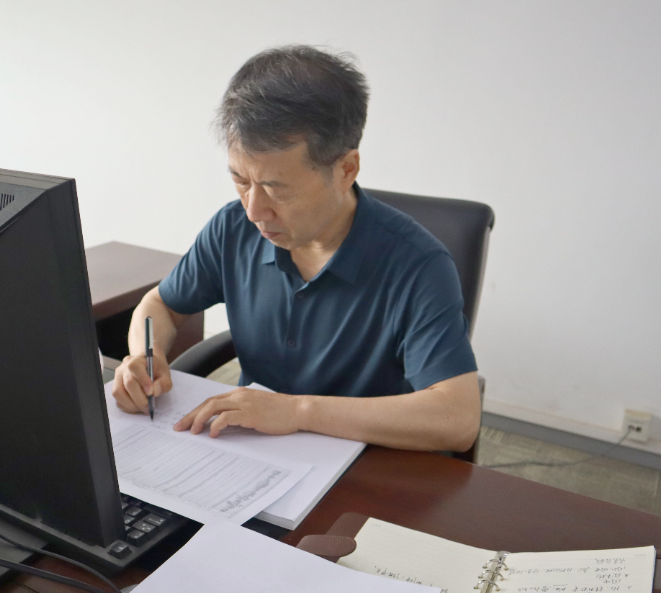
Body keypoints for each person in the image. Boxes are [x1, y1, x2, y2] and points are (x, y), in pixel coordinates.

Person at [112, 45, 480, 452]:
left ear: (346, 169)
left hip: (363, 463)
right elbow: (160, 306)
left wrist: (298, 411)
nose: (254, 211)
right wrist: (144, 357)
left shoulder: (418, 265)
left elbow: (458, 418)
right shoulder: (233, 228)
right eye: (241, 181)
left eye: (276, 189)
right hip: (248, 451)